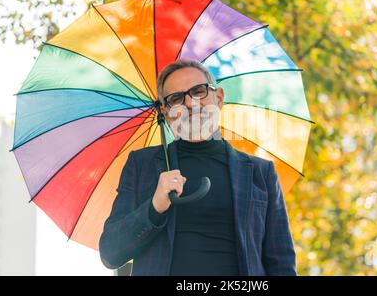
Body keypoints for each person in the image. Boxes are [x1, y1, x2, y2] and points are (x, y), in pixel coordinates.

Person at [99, 60, 296, 276]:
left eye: (198, 91)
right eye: (176, 99)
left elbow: (282, 265)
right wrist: (155, 206)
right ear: (165, 110)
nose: (190, 104)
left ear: (218, 97)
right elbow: (110, 253)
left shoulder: (261, 172)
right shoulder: (142, 164)